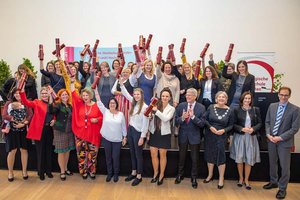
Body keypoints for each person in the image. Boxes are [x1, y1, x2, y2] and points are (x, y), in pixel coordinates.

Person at [263, 86, 300, 199]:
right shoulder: (272, 106)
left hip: (284, 142)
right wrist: (268, 134)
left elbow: (294, 129)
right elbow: (267, 122)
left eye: (286, 95)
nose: (283, 97)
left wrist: (280, 138)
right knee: (272, 162)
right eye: (281, 94)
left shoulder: (295, 109)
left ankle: (282, 188)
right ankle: (273, 181)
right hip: (271, 140)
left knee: (285, 166)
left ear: (289, 96)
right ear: (278, 94)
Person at [20, 86, 55, 180]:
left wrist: (54, 120)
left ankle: (48, 171)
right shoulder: (36, 102)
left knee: (48, 151)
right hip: (39, 130)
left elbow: (54, 114)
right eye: (42, 93)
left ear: (48, 94)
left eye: (46, 93)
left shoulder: (51, 103)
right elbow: (26, 102)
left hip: (49, 130)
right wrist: (22, 91)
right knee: (40, 152)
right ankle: (41, 172)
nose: (44, 95)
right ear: (40, 94)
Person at [70, 79, 103, 180]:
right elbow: (73, 94)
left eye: (86, 95)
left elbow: (102, 117)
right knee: (81, 154)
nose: (85, 97)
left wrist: (97, 119)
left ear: (90, 95)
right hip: (80, 134)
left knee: (92, 155)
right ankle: (83, 171)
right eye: (83, 95)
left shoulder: (97, 105)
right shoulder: (80, 104)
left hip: (93, 134)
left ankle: (92, 171)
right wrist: (72, 83)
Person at [174, 88, 206, 189]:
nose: (187, 96)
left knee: (195, 158)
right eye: (187, 94)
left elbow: (202, 124)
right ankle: (180, 175)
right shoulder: (181, 106)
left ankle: (194, 177)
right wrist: (182, 118)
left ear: (195, 96)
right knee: (181, 157)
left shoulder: (201, 107)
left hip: (195, 136)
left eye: (190, 95)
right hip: (183, 135)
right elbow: (175, 121)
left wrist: (192, 117)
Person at [230, 91, 262, 190]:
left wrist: (253, 129)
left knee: (249, 159)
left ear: (251, 100)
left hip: (251, 137)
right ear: (242, 100)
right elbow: (233, 124)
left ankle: (247, 180)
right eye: (245, 98)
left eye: (249, 98)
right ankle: (241, 178)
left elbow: (260, 123)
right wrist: (241, 129)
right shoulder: (236, 110)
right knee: (239, 158)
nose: (247, 100)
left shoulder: (256, 110)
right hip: (240, 136)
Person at [94, 88, 127, 183]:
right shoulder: (105, 112)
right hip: (106, 139)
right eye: (110, 103)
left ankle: (116, 174)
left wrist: (124, 137)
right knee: (108, 157)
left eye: (114, 103)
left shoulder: (121, 114)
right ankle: (109, 173)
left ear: (116, 104)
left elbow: (123, 126)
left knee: (115, 157)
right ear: (108, 104)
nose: (112, 104)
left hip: (117, 140)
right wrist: (96, 90)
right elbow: (99, 101)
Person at [120, 83, 149, 186]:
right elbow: (126, 94)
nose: (136, 96)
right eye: (135, 94)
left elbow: (146, 124)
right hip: (131, 130)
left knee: (138, 155)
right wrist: (121, 83)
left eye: (138, 94)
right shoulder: (134, 103)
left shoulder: (145, 107)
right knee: (132, 153)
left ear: (142, 95)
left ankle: (139, 176)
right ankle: (133, 172)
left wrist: (142, 137)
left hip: (138, 133)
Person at [204, 91, 234, 189]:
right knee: (210, 154)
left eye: (223, 97)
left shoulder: (230, 110)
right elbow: (204, 119)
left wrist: (224, 130)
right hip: (210, 134)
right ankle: (210, 175)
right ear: (216, 99)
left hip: (222, 135)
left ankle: (221, 178)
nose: (221, 98)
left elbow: (232, 125)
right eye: (219, 97)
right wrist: (210, 127)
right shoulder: (210, 107)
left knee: (221, 156)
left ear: (226, 99)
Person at [2, 88, 33, 181]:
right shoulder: (8, 103)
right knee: (12, 151)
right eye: (15, 93)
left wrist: (23, 123)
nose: (17, 95)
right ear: (13, 94)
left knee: (24, 150)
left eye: (19, 93)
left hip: (24, 130)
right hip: (12, 130)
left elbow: (30, 115)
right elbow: (4, 115)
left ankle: (24, 171)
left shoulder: (26, 102)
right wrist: (15, 121)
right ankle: (10, 172)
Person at [148, 88, 175, 186]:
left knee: (162, 155)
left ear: (170, 98)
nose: (164, 98)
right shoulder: (155, 105)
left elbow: (166, 119)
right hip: (154, 132)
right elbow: (150, 116)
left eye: (167, 96)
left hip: (164, 134)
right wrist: (150, 116)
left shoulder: (171, 108)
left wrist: (156, 111)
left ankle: (161, 175)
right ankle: (155, 173)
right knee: (153, 155)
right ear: (160, 96)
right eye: (163, 96)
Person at [48, 89, 75, 181]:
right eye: (62, 95)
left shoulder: (70, 106)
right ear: (59, 96)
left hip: (69, 131)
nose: (65, 96)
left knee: (67, 151)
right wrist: (51, 100)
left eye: (66, 94)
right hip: (60, 130)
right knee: (61, 152)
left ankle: (66, 168)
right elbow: (51, 111)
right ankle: (62, 171)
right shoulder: (58, 105)